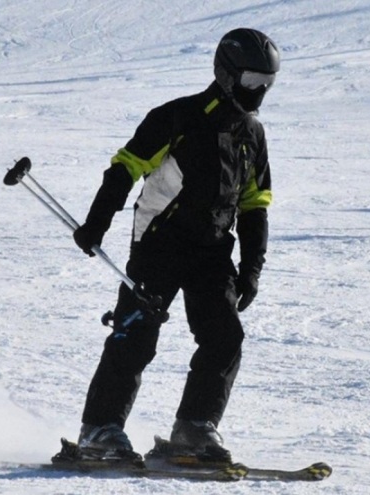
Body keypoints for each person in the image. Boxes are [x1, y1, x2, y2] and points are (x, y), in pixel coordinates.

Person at [70, 28, 280, 462]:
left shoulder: (252, 136)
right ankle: (99, 430)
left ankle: (193, 428)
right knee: (135, 337)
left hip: (212, 251)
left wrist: (251, 268)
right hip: (158, 245)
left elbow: (255, 205)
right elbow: (124, 170)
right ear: (226, 75)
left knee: (225, 337)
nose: (258, 93)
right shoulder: (178, 117)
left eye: (266, 84)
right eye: (251, 82)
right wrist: (96, 223)